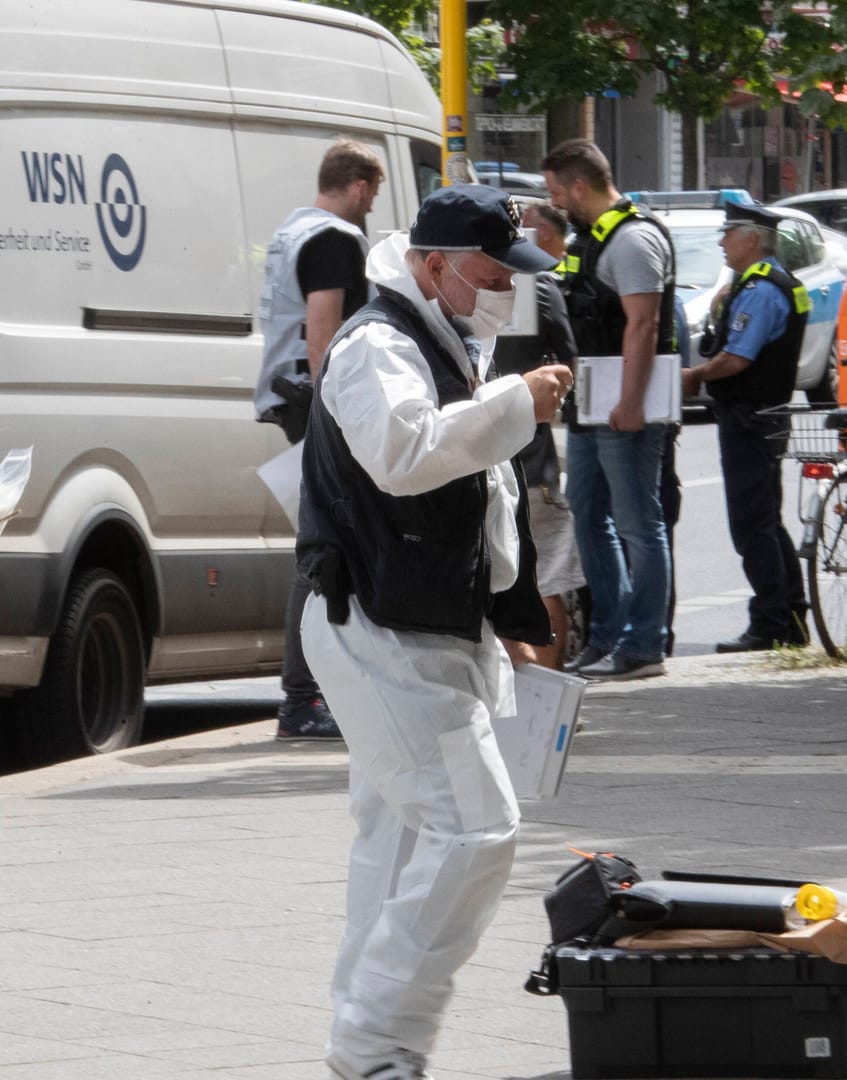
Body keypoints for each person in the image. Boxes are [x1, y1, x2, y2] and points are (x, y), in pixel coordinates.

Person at [296, 183, 572, 1080]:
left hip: (421, 623)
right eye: (491, 273)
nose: (504, 290)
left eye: (510, 275)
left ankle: (366, 1042)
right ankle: (376, 1042)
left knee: (406, 837)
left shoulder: (450, 338)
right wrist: (519, 405)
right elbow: (407, 455)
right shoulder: (379, 344)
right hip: (380, 625)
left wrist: (513, 620)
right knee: (474, 832)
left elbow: (482, 504)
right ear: (431, 265)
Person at [255, 138, 385, 740]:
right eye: (374, 193)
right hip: (317, 406)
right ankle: (303, 699)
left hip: (294, 400)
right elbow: (323, 332)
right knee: (323, 548)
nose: (373, 206)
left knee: (330, 544)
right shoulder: (334, 239)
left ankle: (318, 693)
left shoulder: (293, 231)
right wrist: (338, 414)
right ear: (359, 186)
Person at [540, 139, 675, 681]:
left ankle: (645, 645)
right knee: (588, 520)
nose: (555, 202)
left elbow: (643, 325)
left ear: (578, 186)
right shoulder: (592, 239)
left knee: (639, 525)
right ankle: (605, 639)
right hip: (592, 405)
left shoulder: (633, 239)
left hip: (623, 407)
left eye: (556, 191)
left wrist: (631, 403)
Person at [681, 203, 810, 651]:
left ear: (751, 238)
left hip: (749, 417)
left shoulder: (759, 289)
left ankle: (771, 622)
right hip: (767, 414)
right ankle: (791, 616)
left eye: (728, 232)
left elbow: (737, 358)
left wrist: (695, 376)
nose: (721, 241)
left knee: (751, 524)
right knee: (767, 521)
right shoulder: (770, 283)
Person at [491, 200, 586, 668]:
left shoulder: (441, 291)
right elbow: (568, 360)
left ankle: (530, 707)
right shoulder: (541, 286)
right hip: (531, 460)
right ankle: (548, 708)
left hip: (473, 457)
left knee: (500, 585)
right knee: (545, 579)